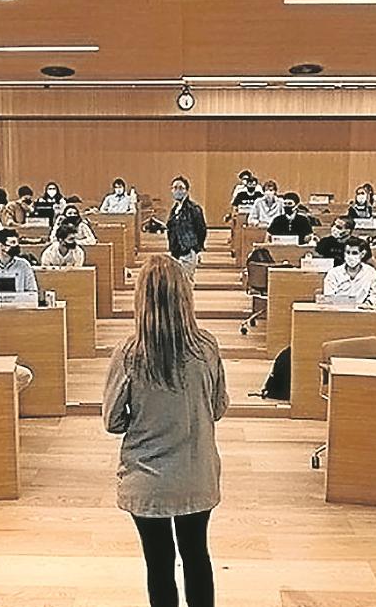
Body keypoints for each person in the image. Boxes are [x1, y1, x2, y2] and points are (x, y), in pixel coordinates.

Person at [103, 255, 226, 607]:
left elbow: (112, 420)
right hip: (195, 472)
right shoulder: (206, 347)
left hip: (147, 478)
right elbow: (218, 407)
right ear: (185, 296)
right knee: (196, 555)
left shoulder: (128, 353)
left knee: (158, 563)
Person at [166, 176, 207, 280]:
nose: (177, 191)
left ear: (187, 191)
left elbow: (201, 230)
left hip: (188, 250)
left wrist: (196, 249)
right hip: (175, 252)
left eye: (181, 188)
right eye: (175, 188)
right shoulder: (174, 210)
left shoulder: (194, 209)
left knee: (185, 282)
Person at [322, 237, 376, 306]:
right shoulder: (333, 273)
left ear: (362, 254)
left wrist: (367, 304)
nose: (350, 256)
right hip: (338, 310)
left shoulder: (370, 272)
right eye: (348, 252)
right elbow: (329, 297)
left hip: (362, 311)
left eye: (354, 253)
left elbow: (374, 295)